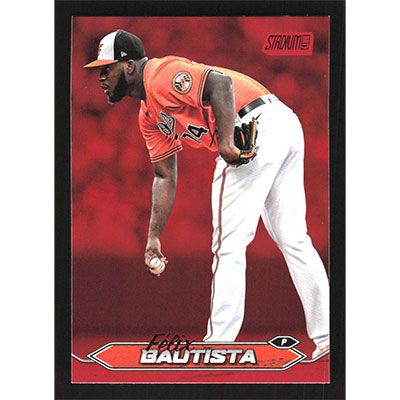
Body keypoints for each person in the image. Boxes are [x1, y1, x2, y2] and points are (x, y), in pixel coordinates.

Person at [84, 29, 330, 359]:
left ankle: (218, 345)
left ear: (128, 66)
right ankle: (328, 336)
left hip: (252, 125)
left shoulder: (160, 74)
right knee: (293, 238)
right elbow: (164, 175)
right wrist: (153, 237)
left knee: (228, 244)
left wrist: (226, 142)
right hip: (281, 123)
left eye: (106, 68)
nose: (101, 78)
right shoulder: (148, 117)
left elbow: (220, 84)